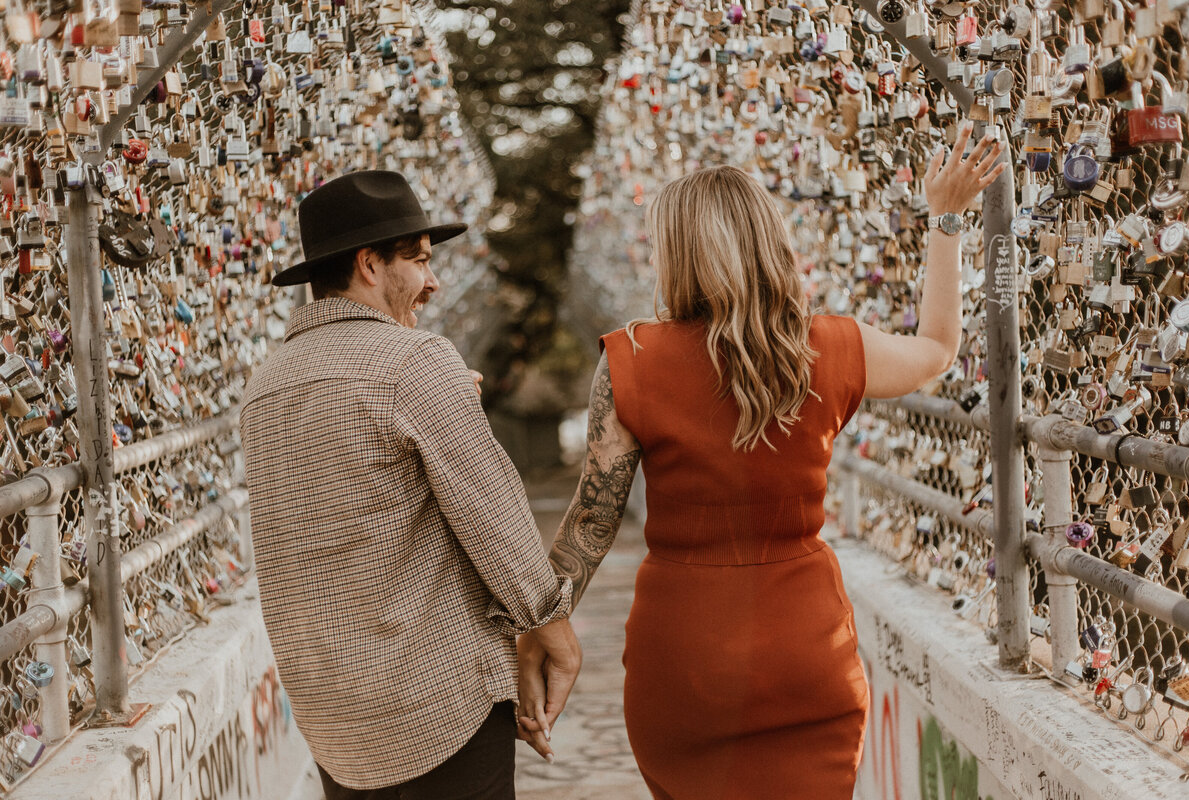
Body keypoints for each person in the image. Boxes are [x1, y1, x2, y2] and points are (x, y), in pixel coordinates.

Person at [514, 123, 1005, 798]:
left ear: (678, 254)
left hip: (684, 664)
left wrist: (540, 627)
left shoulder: (632, 360)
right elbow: (938, 348)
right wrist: (946, 220)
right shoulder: (833, 348)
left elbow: (590, 525)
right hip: (808, 652)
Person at [239, 170, 582, 800]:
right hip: (435, 700)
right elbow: (492, 515)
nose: (434, 281)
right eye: (419, 261)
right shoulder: (413, 361)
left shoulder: (266, 385)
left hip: (334, 721)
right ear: (370, 265)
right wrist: (554, 634)